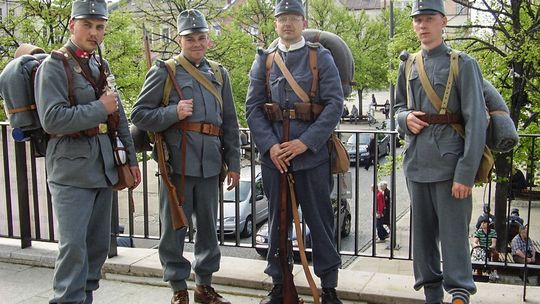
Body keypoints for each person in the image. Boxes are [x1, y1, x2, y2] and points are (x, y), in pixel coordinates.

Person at [34, 1, 141, 303]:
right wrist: (99, 108)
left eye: (100, 27)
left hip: (103, 169)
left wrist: (131, 161)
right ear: (72, 26)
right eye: (88, 25)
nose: (95, 33)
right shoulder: (54, 66)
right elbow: (52, 118)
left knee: (96, 248)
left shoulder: (100, 66)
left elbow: (118, 118)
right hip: (71, 171)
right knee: (73, 249)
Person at [131, 9, 240, 304]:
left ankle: (204, 286)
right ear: (180, 39)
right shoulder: (164, 71)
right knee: (174, 230)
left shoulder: (219, 74)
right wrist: (172, 113)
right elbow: (139, 114)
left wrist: (235, 163)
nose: (196, 43)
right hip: (177, 166)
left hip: (210, 166)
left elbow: (229, 121)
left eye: (201, 37)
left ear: (209, 41)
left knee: (208, 230)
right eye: (190, 38)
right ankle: (178, 287)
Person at [245, 0, 344, 303]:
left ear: (303, 22)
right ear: (275, 24)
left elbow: (334, 105)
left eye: (293, 18)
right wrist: (271, 146)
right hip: (276, 160)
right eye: (281, 19)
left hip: (311, 158)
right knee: (278, 223)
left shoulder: (321, 57)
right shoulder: (263, 60)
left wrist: (306, 142)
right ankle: (279, 284)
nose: (287, 24)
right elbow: (253, 108)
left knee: (321, 223)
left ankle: (328, 288)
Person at [394, 1, 488, 303]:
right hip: (417, 164)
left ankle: (460, 293)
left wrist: (466, 173)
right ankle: (431, 296)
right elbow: (396, 109)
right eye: (417, 19)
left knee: (454, 239)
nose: (422, 25)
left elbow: (476, 121)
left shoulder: (462, 63)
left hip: (451, 168)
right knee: (422, 241)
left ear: (443, 21)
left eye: (429, 19)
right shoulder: (407, 63)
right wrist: (403, 119)